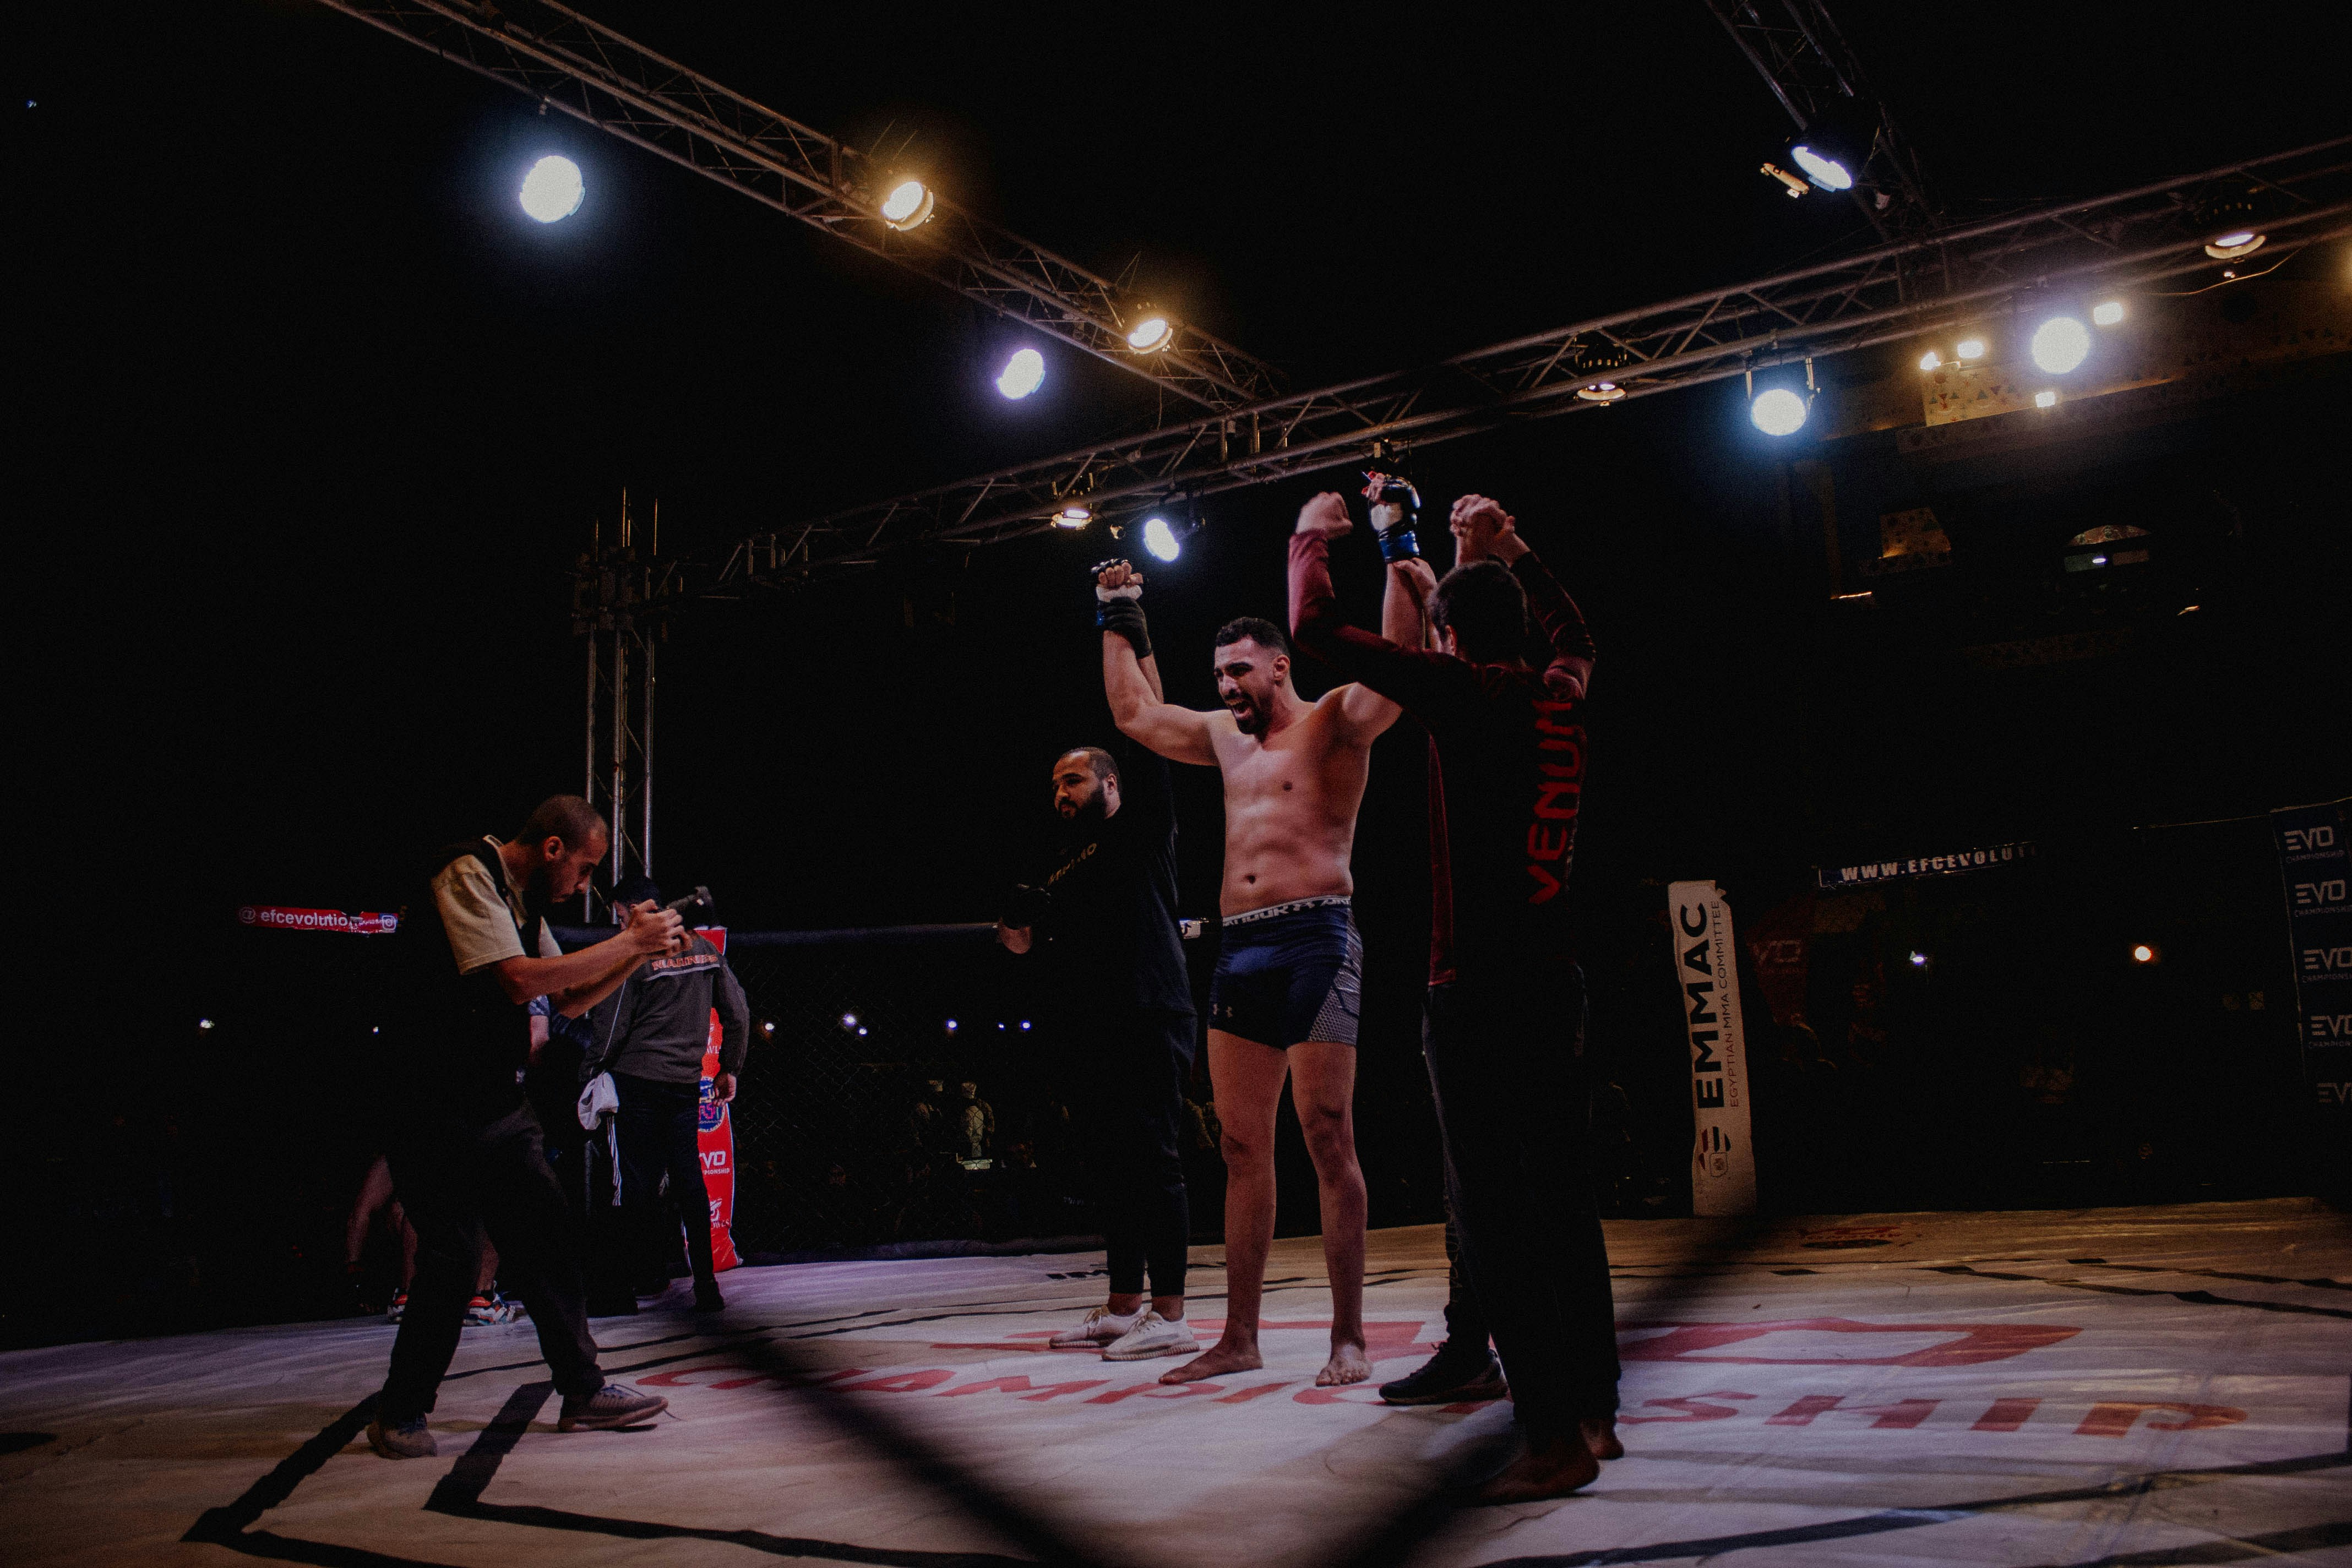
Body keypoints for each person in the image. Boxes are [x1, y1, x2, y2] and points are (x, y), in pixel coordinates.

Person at [1289, 486, 1620, 1501]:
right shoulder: (1559, 692)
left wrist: (1312, 538)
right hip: (1554, 978)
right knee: (1563, 1198)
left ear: (1444, 633)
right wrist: (1510, 543)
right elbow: (1576, 632)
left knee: (1491, 1215)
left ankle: (1548, 1433)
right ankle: (1595, 1409)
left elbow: (1310, 634)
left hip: (1475, 989)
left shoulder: (1465, 693)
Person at [1097, 534, 1422, 1387]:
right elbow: (1134, 715)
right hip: (1241, 948)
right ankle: (1239, 1337)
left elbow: (1397, 670)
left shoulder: (1336, 721)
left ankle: (1347, 1336)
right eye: (1219, 677)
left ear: (1278, 667)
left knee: (1327, 1134)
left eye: (1241, 672)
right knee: (1242, 1146)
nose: (1228, 689)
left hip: (1319, 935)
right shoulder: (1221, 739)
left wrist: (1399, 549)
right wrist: (1118, 615)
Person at [366, 795, 684, 1461]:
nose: (584, 886)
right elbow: (515, 982)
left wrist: (637, 956)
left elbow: (564, 997)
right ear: (553, 849)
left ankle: (583, 1389)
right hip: (426, 1099)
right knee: (451, 1256)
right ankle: (401, 1408)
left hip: (491, 1099)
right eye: (585, 869)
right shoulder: (466, 873)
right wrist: (625, 938)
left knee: (546, 1237)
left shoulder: (523, 901)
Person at [999, 732, 1198, 1363]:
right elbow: (1021, 946)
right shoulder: (1060, 857)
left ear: (1110, 786)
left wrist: (1131, 652)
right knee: (1113, 1167)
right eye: (1055, 783)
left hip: (1149, 1010)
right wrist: (1012, 919)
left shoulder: (1141, 828)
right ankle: (1123, 1308)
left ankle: (1171, 1313)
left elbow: (1154, 744)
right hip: (1090, 1025)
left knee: (1156, 1159)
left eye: (1073, 780)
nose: (1060, 791)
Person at [586, 873, 750, 1313]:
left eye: (623, 917)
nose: (621, 927)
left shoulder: (635, 955)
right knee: (688, 1181)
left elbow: (611, 1025)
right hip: (684, 1084)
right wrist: (728, 1068)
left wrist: (591, 1071)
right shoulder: (704, 948)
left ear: (641, 909)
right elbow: (738, 1013)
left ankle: (629, 1286)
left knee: (631, 1186)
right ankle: (705, 1286)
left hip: (636, 1083)